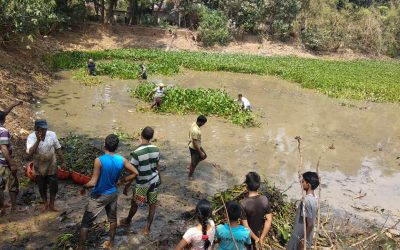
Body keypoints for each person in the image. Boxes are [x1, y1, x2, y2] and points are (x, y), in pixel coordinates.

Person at [78, 134, 138, 250]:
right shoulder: (122, 159)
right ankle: (110, 244)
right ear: (117, 147)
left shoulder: (99, 160)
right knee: (113, 220)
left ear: (104, 145)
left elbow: (93, 182)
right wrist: (122, 180)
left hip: (99, 196)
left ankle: (81, 248)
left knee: (85, 224)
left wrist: (84, 187)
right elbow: (135, 172)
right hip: (113, 194)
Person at [120, 126, 161, 235]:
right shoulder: (156, 149)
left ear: (141, 135)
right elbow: (157, 166)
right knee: (152, 205)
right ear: (151, 137)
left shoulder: (136, 153)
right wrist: (159, 179)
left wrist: (127, 186)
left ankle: (128, 220)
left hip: (142, 184)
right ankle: (147, 229)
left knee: (135, 204)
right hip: (154, 181)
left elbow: (133, 173)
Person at [26, 119, 65, 212]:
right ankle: (45, 203)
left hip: (51, 163)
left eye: (45, 129)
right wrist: (38, 141)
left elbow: (58, 148)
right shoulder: (31, 137)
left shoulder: (52, 135)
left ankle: (52, 204)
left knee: (53, 185)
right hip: (39, 164)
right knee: (41, 185)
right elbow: (30, 153)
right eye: (41, 129)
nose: (44, 131)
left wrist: (63, 161)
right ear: (36, 129)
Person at [286, 171, 319, 250]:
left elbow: (310, 224)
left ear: (309, 184)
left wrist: (303, 241)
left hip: (300, 236)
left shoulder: (306, 200)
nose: (301, 183)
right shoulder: (315, 198)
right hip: (306, 236)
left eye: (303, 181)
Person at [0, 101, 23, 215]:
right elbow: (4, 148)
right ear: (3, 120)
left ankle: (2, 209)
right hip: (4, 163)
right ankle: (14, 208)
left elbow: (5, 112)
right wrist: (12, 163)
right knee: (12, 184)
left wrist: (15, 104)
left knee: (0, 185)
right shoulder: (3, 131)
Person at [240, 172, 273, 250]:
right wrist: (261, 238)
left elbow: (245, 226)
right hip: (259, 234)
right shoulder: (264, 199)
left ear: (246, 185)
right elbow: (269, 220)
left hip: (247, 238)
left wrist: (256, 239)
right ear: (258, 185)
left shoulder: (243, 203)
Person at [187, 115, 207, 179]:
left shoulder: (194, 124)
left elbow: (190, 133)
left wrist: (189, 139)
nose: (203, 125)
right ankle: (190, 176)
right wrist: (200, 152)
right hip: (194, 147)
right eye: (203, 123)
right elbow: (194, 142)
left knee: (204, 156)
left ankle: (191, 165)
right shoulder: (195, 130)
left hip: (197, 145)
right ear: (200, 122)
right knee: (195, 163)